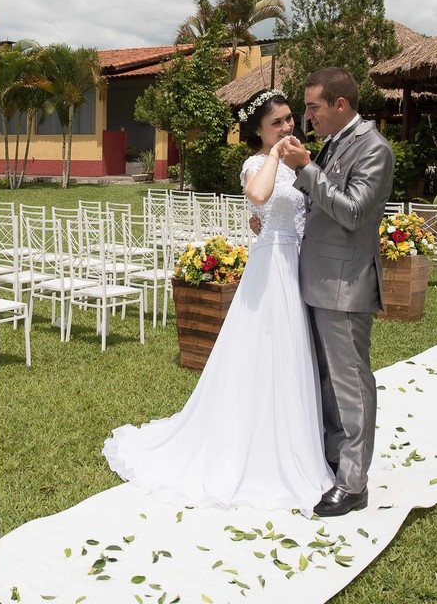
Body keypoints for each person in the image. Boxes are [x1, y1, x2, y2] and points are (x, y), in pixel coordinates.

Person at [102, 90, 333, 511]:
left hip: (300, 262)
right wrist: (277, 158)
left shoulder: (304, 158)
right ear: (258, 131)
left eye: (288, 119)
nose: (287, 127)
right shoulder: (254, 164)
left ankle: (296, 437)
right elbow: (259, 198)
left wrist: (299, 164)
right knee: (263, 346)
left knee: (293, 352)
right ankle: (251, 443)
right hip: (271, 267)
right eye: (276, 123)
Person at [277, 67, 394, 517]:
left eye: (313, 107)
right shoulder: (333, 142)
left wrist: (306, 168)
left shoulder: (374, 149)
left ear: (340, 105)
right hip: (317, 278)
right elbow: (319, 205)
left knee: (350, 383)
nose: (306, 117)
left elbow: (352, 212)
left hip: (346, 284)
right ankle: (332, 457)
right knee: (325, 379)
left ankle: (354, 482)